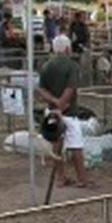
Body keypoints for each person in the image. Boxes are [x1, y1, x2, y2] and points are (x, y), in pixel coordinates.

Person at [37, 36, 91, 189]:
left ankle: (60, 177)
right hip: (69, 112)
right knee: (76, 146)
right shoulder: (71, 66)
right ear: (67, 49)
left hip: (51, 110)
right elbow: (70, 89)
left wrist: (54, 102)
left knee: (56, 145)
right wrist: (61, 105)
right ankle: (82, 178)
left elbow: (41, 89)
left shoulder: (46, 66)